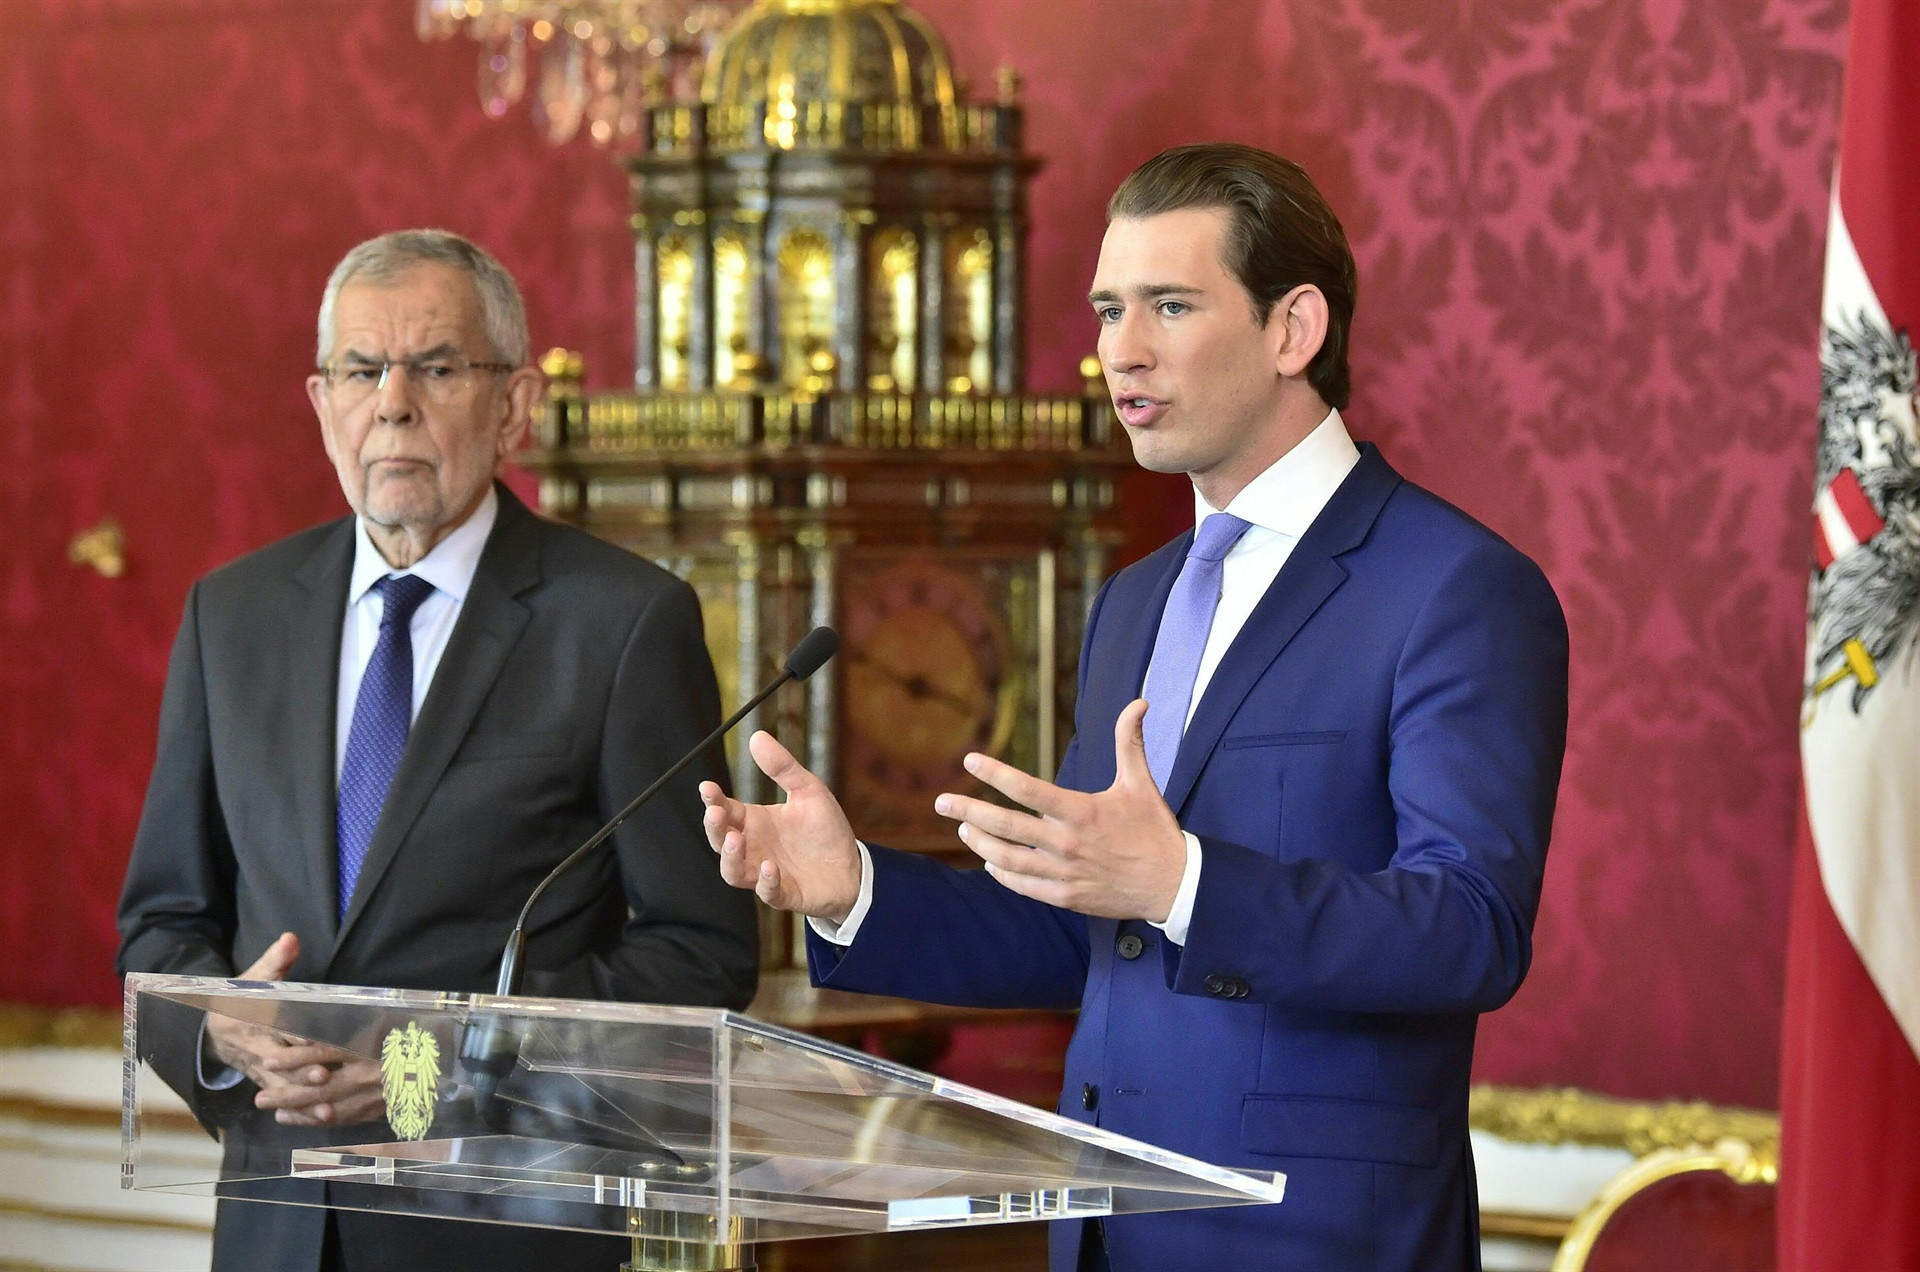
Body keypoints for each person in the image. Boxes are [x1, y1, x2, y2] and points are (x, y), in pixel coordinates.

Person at [700, 144, 1569, 1272]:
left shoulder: (1454, 587)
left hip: (1314, 1240)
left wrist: (1183, 883)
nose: (1121, 349)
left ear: (1294, 329)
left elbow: (1469, 932)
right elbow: (1087, 929)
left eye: (1170, 305)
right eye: (1110, 309)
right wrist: (854, 889)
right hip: (1106, 1232)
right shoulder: (1133, 601)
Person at [116, 229, 759, 1272]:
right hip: (278, 1229)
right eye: (362, 370)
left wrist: (444, 1062)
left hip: (502, 1229)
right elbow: (161, 925)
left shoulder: (622, 623)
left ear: (514, 405)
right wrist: (217, 1033)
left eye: (438, 367)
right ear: (321, 403)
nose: (394, 404)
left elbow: (700, 953)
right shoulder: (230, 617)